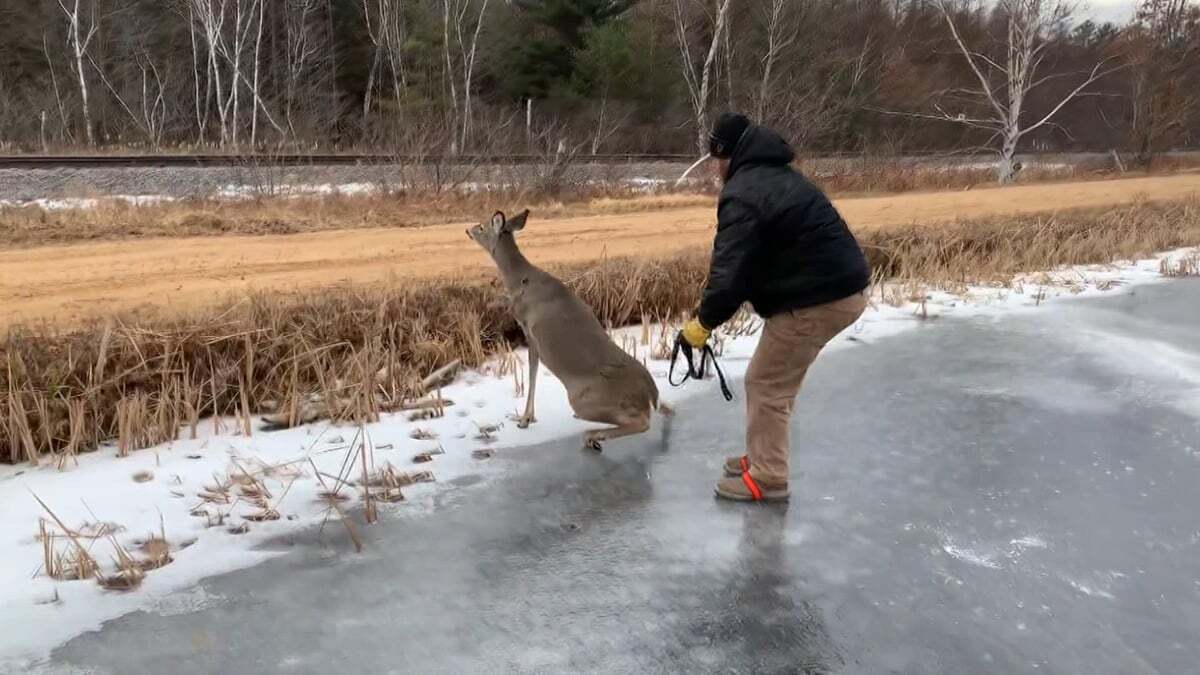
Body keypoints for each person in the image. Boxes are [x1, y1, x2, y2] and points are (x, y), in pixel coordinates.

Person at [678, 112, 871, 503]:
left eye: (716, 158)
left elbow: (730, 273)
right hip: (831, 291)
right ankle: (764, 456)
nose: (715, 167)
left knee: (766, 384)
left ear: (727, 154)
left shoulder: (745, 193)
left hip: (819, 299)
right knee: (772, 382)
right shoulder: (774, 177)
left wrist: (702, 324)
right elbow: (748, 266)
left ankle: (768, 478)